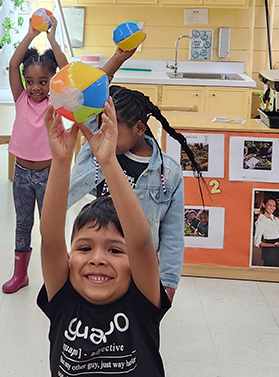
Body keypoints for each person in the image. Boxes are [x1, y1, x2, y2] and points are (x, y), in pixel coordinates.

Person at [38, 100, 179, 377]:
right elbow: (49, 238)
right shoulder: (63, 300)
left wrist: (109, 163)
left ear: (134, 265)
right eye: (84, 247)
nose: (97, 258)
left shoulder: (142, 303)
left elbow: (140, 240)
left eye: (114, 251)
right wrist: (61, 163)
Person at [67, 85, 201, 301]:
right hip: (102, 269)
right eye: (102, 129)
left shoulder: (168, 172)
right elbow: (87, 106)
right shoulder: (97, 157)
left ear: (139, 128)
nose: (105, 137)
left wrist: (168, 282)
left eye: (113, 131)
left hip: (141, 272)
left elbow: (173, 235)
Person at [4, 19, 68, 294]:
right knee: (23, 224)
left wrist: (52, 39)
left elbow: (66, 70)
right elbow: (12, 65)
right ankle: (20, 275)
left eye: (43, 82)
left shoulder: (57, 101)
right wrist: (30, 34)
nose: (36, 87)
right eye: (30, 81)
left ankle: (57, 277)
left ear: (52, 82)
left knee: (50, 228)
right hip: (21, 173)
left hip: (49, 175)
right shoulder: (21, 98)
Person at [254, 198, 279, 268]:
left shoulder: (274, 218)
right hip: (269, 250)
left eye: (274, 206)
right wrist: (273, 245)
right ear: (264, 205)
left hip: (277, 248)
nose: (272, 208)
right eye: (270, 205)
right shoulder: (261, 221)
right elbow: (257, 242)